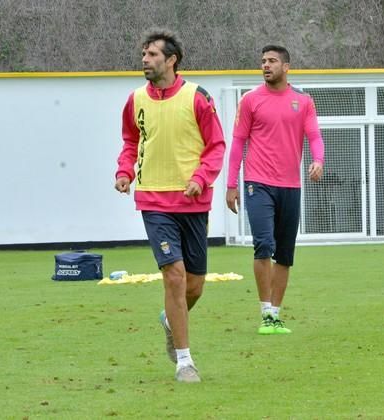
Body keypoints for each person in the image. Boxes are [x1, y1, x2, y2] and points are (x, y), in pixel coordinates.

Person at [114, 29, 226, 382]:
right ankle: (184, 361)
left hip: (193, 201)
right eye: (144, 54)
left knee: (195, 285)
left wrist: (201, 177)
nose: (145, 60)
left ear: (171, 59)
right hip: (153, 199)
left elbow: (216, 145)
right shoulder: (134, 100)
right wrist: (124, 171)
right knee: (174, 278)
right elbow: (131, 141)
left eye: (152, 55)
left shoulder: (197, 97)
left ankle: (169, 320)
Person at [226, 45, 324, 334]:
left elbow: (315, 136)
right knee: (264, 245)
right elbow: (237, 144)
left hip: (290, 186)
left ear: (286, 66)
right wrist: (231, 184)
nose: (265, 65)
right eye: (263, 61)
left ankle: (276, 315)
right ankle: (265, 310)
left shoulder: (303, 101)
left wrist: (318, 161)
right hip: (258, 183)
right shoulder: (250, 100)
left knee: (284, 254)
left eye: (272, 61)